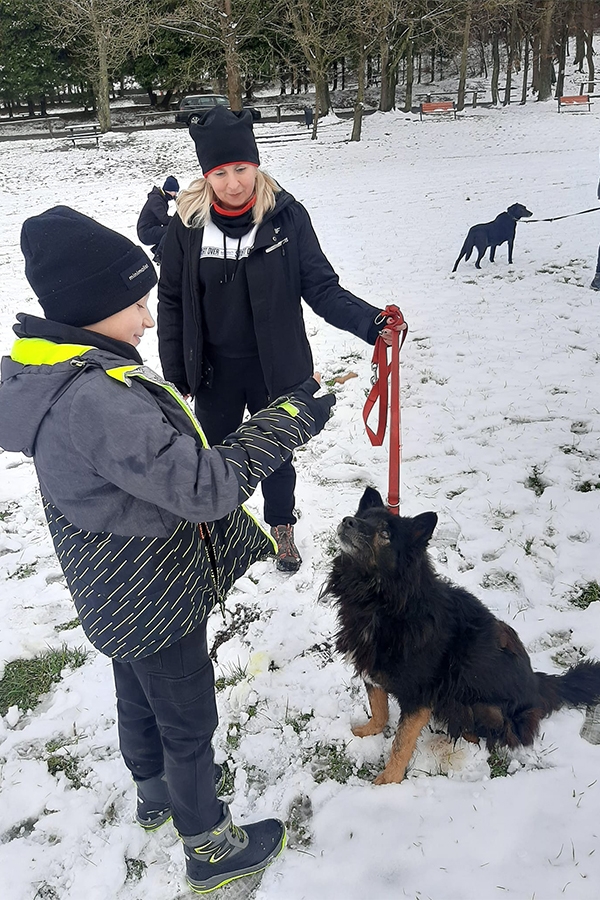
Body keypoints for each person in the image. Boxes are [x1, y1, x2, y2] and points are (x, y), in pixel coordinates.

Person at [0, 206, 335, 894]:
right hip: (153, 596)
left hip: (112, 591)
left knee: (136, 691)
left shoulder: (51, 373)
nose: (149, 320)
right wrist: (288, 420)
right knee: (189, 719)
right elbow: (206, 489)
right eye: (137, 305)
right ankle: (208, 845)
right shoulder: (94, 398)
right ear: (93, 307)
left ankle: (154, 792)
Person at [158, 106, 391, 572]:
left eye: (241, 168)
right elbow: (171, 300)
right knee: (219, 456)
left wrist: (373, 323)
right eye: (220, 173)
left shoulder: (286, 217)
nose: (233, 183)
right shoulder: (186, 227)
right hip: (214, 370)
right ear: (206, 176)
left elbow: (321, 287)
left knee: (276, 454)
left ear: (256, 163)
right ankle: (224, 531)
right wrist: (177, 373)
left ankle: (280, 525)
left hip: (277, 366)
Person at [137, 175, 179, 264]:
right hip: (145, 233)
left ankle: (156, 249)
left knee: (170, 228)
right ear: (168, 190)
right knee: (170, 230)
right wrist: (177, 221)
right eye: (174, 192)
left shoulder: (160, 198)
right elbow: (164, 219)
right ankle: (159, 256)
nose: (175, 194)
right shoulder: (156, 200)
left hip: (149, 230)